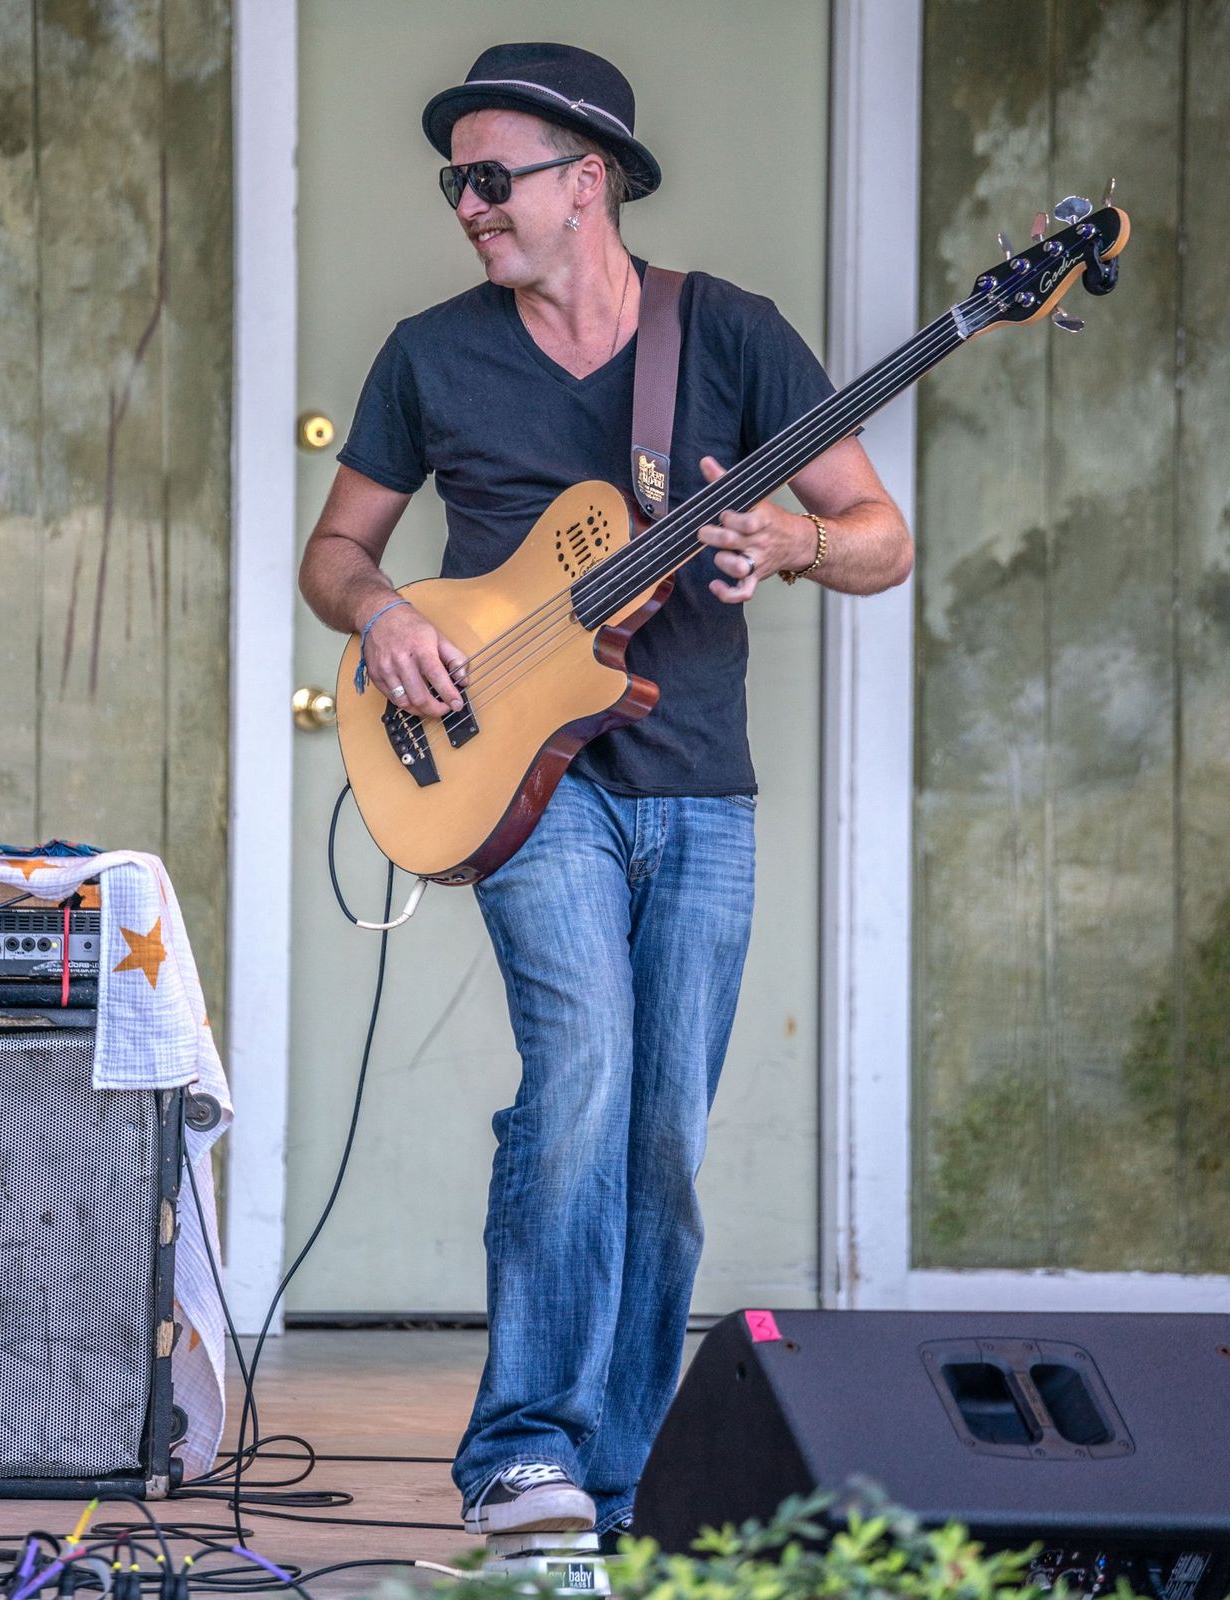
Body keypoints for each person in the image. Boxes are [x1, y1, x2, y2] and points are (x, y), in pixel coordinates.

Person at [298, 42, 912, 1542]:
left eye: (489, 178)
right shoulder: (430, 354)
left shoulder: (732, 334)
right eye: (454, 182)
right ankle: (523, 1450)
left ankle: (614, 1486)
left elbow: (879, 535)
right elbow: (336, 554)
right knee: (577, 1076)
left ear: (589, 183)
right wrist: (384, 615)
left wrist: (797, 545)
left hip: (697, 781)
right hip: (524, 781)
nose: (466, 205)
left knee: (662, 1138)